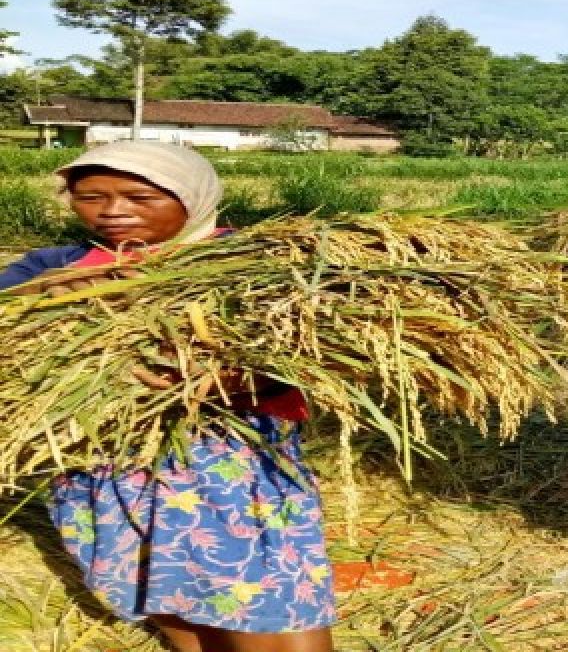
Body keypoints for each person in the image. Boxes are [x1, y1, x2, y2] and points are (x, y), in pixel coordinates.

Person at [0, 142, 336, 652]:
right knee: (162, 584)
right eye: (90, 197)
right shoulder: (57, 262)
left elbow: (317, 355)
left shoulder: (258, 261)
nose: (112, 212)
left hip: (228, 466)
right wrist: (69, 284)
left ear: (191, 196)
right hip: (105, 463)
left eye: (139, 196)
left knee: (268, 595)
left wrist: (231, 381)